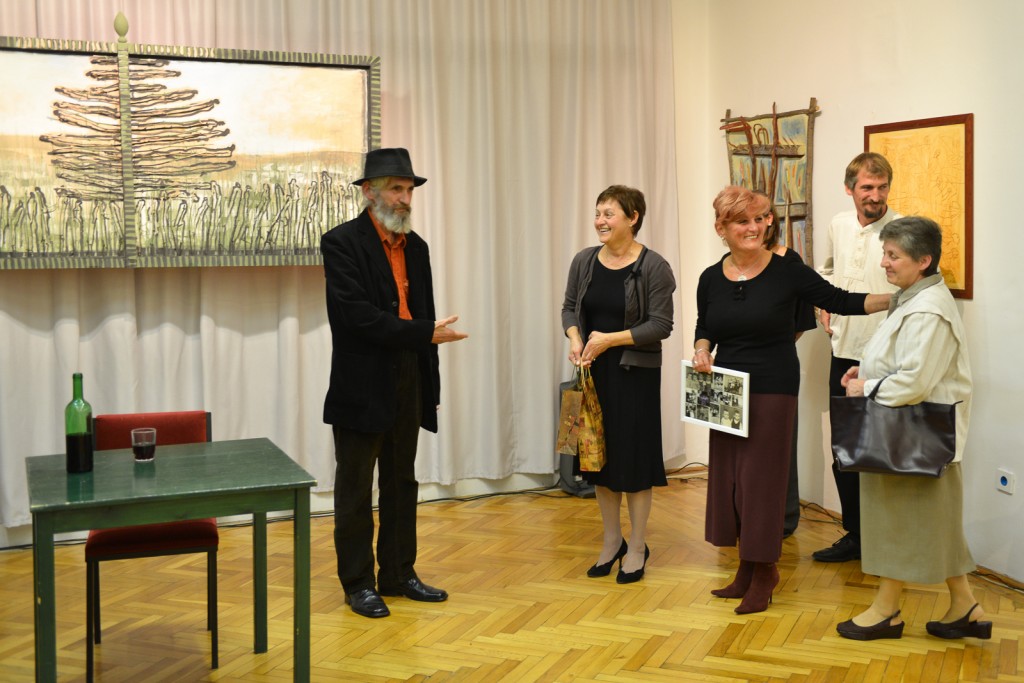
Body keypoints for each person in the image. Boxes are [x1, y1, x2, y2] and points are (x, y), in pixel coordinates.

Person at [694, 185, 890, 614]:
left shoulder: (787, 271)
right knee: (732, 481)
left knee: (761, 483)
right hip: (723, 389)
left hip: (772, 385)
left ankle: (765, 571)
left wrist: (897, 298)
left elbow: (840, 300)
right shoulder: (710, 277)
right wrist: (702, 349)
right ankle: (746, 568)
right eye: (742, 221)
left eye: (760, 219)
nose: (755, 228)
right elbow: (704, 325)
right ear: (721, 228)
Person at [321, 147, 468, 618]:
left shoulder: (416, 247)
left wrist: (431, 388)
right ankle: (358, 583)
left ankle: (399, 573)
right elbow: (356, 318)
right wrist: (422, 332)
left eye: (409, 190)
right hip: (361, 381)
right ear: (369, 192)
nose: (405, 199)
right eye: (396, 189)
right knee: (355, 487)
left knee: (402, 481)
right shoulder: (341, 243)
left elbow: (426, 320)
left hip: (409, 375)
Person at [835, 216, 989, 641]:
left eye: (893, 255)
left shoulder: (928, 310)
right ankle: (965, 606)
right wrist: (865, 369)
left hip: (914, 434)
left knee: (898, 522)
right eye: (885, 253)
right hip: (914, 433)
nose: (884, 263)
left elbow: (916, 381)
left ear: (923, 261)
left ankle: (886, 611)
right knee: (933, 522)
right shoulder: (914, 298)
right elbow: (904, 361)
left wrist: (866, 386)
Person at [561, 185, 675, 584]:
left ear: (633, 217)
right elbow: (569, 308)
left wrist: (609, 339)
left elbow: (660, 325)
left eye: (608, 214)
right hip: (592, 375)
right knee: (598, 462)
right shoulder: (584, 261)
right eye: (597, 213)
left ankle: (638, 545)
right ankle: (612, 541)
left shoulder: (654, 266)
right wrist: (575, 337)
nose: (600, 221)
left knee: (635, 463)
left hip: (635, 377)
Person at [813, 152, 900, 563]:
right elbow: (826, 271)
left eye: (882, 187)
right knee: (845, 450)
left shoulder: (902, 229)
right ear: (850, 189)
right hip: (842, 353)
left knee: (883, 451)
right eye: (867, 187)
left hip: (887, 358)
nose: (875, 196)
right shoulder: (838, 225)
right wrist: (821, 305)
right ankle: (856, 536)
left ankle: (887, 538)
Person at [756, 190, 817, 538]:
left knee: (779, 446)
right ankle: (745, 515)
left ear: (772, 221)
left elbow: (799, 323)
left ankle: (782, 519)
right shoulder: (731, 262)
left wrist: (770, 347)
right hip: (737, 368)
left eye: (761, 216)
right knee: (743, 448)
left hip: (777, 366)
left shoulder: (790, 264)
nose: (754, 225)